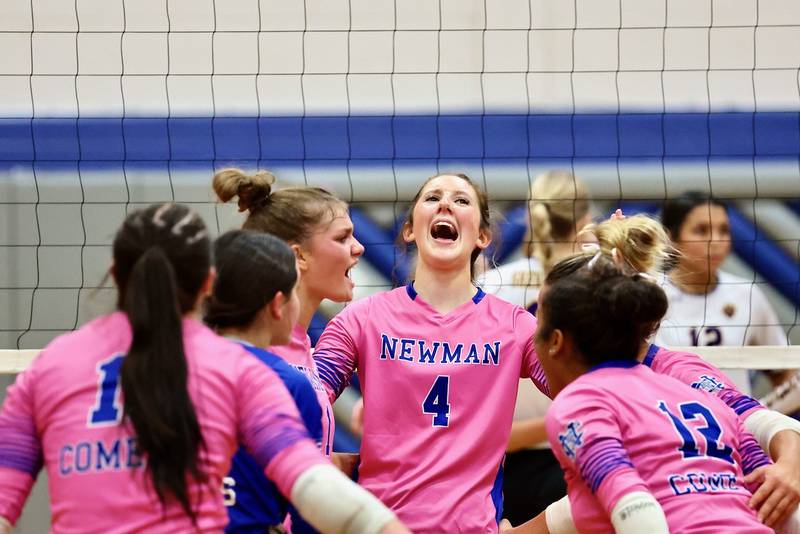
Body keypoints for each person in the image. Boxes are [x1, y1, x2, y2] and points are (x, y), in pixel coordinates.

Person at [0, 203, 408, 534]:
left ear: (116, 274)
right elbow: (310, 484)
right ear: (209, 283)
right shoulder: (239, 370)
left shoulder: (49, 366)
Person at [523, 215, 800, 533]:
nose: (534, 331)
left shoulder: (674, 376)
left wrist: (792, 468)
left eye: (540, 315)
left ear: (561, 335)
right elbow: (584, 506)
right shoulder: (591, 386)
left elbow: (634, 506)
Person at [313, 173, 549, 533]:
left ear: (483, 237)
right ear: (409, 230)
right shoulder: (363, 319)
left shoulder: (515, 326)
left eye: (461, 201)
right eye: (432, 198)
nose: (445, 205)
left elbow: (582, 386)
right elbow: (305, 397)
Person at [213, 168, 364, 464]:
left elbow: (293, 461)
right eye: (343, 238)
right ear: (299, 256)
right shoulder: (259, 351)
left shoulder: (299, 345)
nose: (358, 247)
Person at [479, 170, 591, 524]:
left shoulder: (491, 283)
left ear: (531, 215)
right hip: (579, 453)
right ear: (586, 219)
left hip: (499, 464)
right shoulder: (599, 279)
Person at [204, 230, 321, 533]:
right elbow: (309, 510)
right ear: (277, 304)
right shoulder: (290, 383)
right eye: (296, 290)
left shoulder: (170, 366)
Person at [654, 191, 789, 394]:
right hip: (672, 420)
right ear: (671, 237)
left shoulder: (746, 294)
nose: (716, 241)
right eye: (702, 231)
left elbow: (783, 369)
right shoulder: (650, 293)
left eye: (724, 231)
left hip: (736, 422)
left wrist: (765, 416)